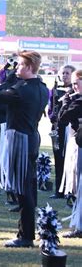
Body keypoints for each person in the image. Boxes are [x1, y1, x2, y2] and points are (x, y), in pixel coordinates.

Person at [0, 50, 48, 248]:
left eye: (20, 65)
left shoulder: (22, 89)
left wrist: (9, 79)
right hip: (31, 136)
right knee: (28, 187)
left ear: (29, 67)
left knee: (23, 189)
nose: (17, 68)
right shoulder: (42, 87)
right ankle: (26, 233)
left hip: (20, 139)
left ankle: (25, 235)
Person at [59, 69, 82, 238]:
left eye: (76, 83)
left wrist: (66, 102)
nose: (74, 87)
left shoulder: (77, 102)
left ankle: (79, 227)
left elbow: (62, 117)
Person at [49, 65, 76, 199]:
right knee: (58, 158)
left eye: (67, 73)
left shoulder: (75, 90)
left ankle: (69, 190)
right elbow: (50, 108)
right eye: (63, 73)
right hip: (57, 128)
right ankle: (58, 190)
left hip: (69, 128)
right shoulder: (55, 90)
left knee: (69, 159)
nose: (64, 75)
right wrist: (52, 116)